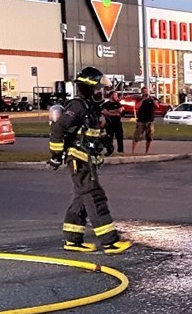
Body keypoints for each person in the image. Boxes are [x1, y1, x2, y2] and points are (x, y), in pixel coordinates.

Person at [48, 67, 131, 255]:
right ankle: (110, 242)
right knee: (95, 197)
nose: (101, 92)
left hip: (88, 159)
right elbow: (58, 130)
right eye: (98, 89)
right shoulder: (77, 106)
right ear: (88, 88)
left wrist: (106, 143)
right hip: (79, 160)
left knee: (81, 200)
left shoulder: (90, 107)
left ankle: (72, 241)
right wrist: (55, 156)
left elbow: (91, 133)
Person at [100, 91, 125, 156]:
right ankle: (109, 151)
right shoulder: (106, 104)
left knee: (119, 137)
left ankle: (120, 151)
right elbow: (105, 112)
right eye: (115, 95)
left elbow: (119, 111)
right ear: (111, 95)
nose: (116, 97)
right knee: (109, 138)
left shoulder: (118, 103)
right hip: (109, 124)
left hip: (117, 123)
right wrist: (114, 112)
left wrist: (110, 111)